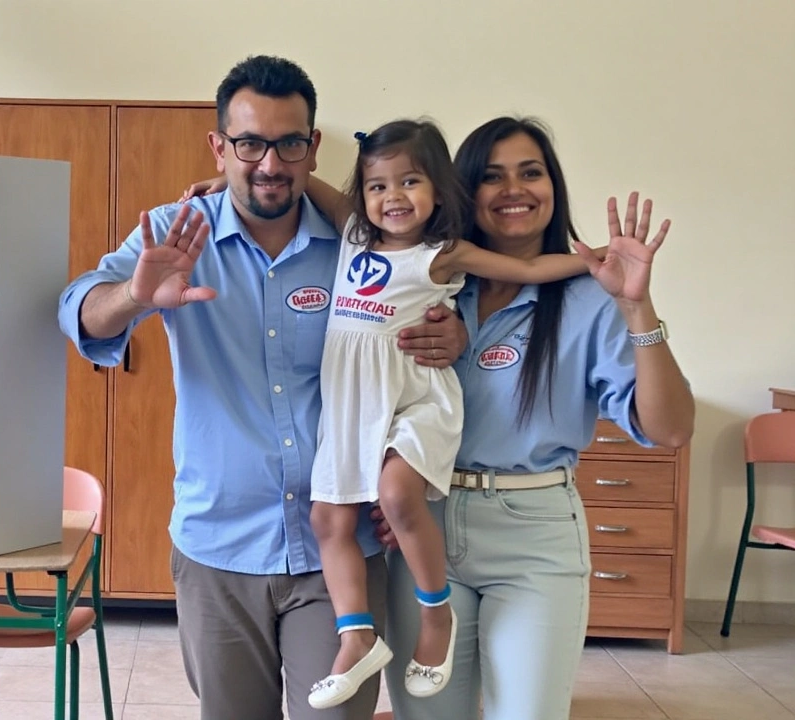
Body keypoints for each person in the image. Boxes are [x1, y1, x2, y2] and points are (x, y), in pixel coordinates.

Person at [56, 55, 468, 720]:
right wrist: (133, 296)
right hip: (219, 549)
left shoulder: (362, 247)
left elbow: (437, 314)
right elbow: (78, 311)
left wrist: (455, 336)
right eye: (249, 143)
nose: (270, 164)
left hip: (339, 548)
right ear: (219, 146)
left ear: (313, 148)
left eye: (289, 143)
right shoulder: (173, 234)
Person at [179, 118, 604, 710]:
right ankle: (356, 637)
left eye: (410, 182)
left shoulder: (442, 255)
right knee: (328, 520)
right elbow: (294, 184)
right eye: (379, 186)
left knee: (399, 497)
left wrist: (600, 263)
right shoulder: (352, 233)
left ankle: (436, 620)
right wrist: (220, 181)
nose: (393, 197)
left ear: (438, 191)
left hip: (414, 402)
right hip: (354, 409)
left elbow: (530, 270)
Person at [377, 117, 694, 720]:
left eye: (531, 172)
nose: (513, 189)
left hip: (534, 535)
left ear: (553, 186)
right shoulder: (434, 282)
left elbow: (670, 429)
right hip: (428, 527)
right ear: (461, 191)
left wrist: (637, 307)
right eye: (491, 177)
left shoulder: (591, 295)